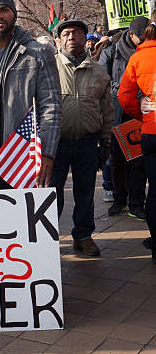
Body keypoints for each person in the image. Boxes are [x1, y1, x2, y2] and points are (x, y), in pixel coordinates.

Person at [0, 0, 62, 188]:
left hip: (23, 161)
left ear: (14, 14)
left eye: (4, 10)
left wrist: (47, 153)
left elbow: (51, 107)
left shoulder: (38, 53)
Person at [50, 19, 114, 257]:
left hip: (88, 142)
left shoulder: (99, 72)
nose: (71, 38)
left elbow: (107, 110)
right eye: (66, 34)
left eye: (76, 33)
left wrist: (106, 140)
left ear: (85, 39)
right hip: (54, 143)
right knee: (52, 193)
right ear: (59, 40)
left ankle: (84, 236)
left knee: (85, 192)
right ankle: (47, 239)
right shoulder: (48, 67)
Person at [99, 16, 149, 220]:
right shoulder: (111, 52)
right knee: (117, 158)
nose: (144, 41)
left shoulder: (146, 52)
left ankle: (136, 203)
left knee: (137, 159)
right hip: (117, 110)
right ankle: (119, 199)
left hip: (139, 109)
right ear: (131, 36)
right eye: (140, 38)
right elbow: (102, 80)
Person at [118, 14, 156, 263]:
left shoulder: (137, 57)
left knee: (154, 190)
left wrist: (142, 113)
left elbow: (124, 96)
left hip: (151, 132)